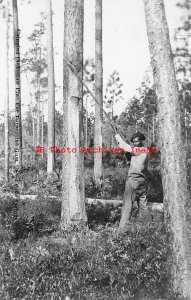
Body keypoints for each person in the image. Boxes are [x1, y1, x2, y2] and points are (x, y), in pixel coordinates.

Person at [113, 126, 152, 233]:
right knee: (143, 205)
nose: (135, 143)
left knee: (127, 205)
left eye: (137, 141)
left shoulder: (140, 150)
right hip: (142, 181)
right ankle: (149, 227)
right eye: (133, 142)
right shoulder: (145, 150)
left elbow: (124, 146)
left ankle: (123, 229)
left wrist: (117, 135)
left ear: (142, 141)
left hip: (133, 181)